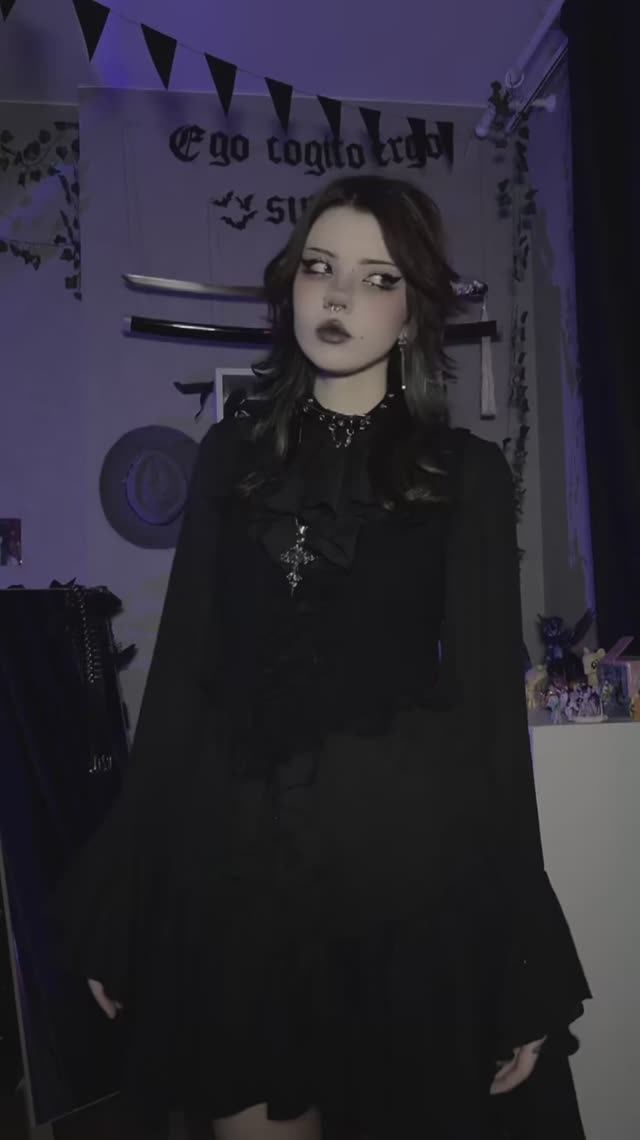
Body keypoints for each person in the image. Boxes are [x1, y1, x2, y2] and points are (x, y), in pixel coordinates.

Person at [51, 174, 591, 1140]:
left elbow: (487, 724)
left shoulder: (464, 477)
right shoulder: (229, 458)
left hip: (406, 880)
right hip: (236, 874)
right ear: (290, 285)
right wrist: (127, 889)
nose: (339, 296)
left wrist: (519, 952)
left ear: (414, 307)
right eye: (320, 267)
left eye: (377, 277)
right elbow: (179, 683)